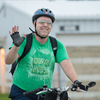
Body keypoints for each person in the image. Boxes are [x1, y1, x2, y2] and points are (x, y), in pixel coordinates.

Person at [5, 8, 84, 100]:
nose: (45, 25)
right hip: (22, 93)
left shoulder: (56, 44)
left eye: (49, 23)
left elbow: (66, 64)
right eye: (42, 22)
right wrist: (16, 46)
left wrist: (76, 81)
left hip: (45, 94)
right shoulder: (24, 40)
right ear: (35, 24)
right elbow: (8, 61)